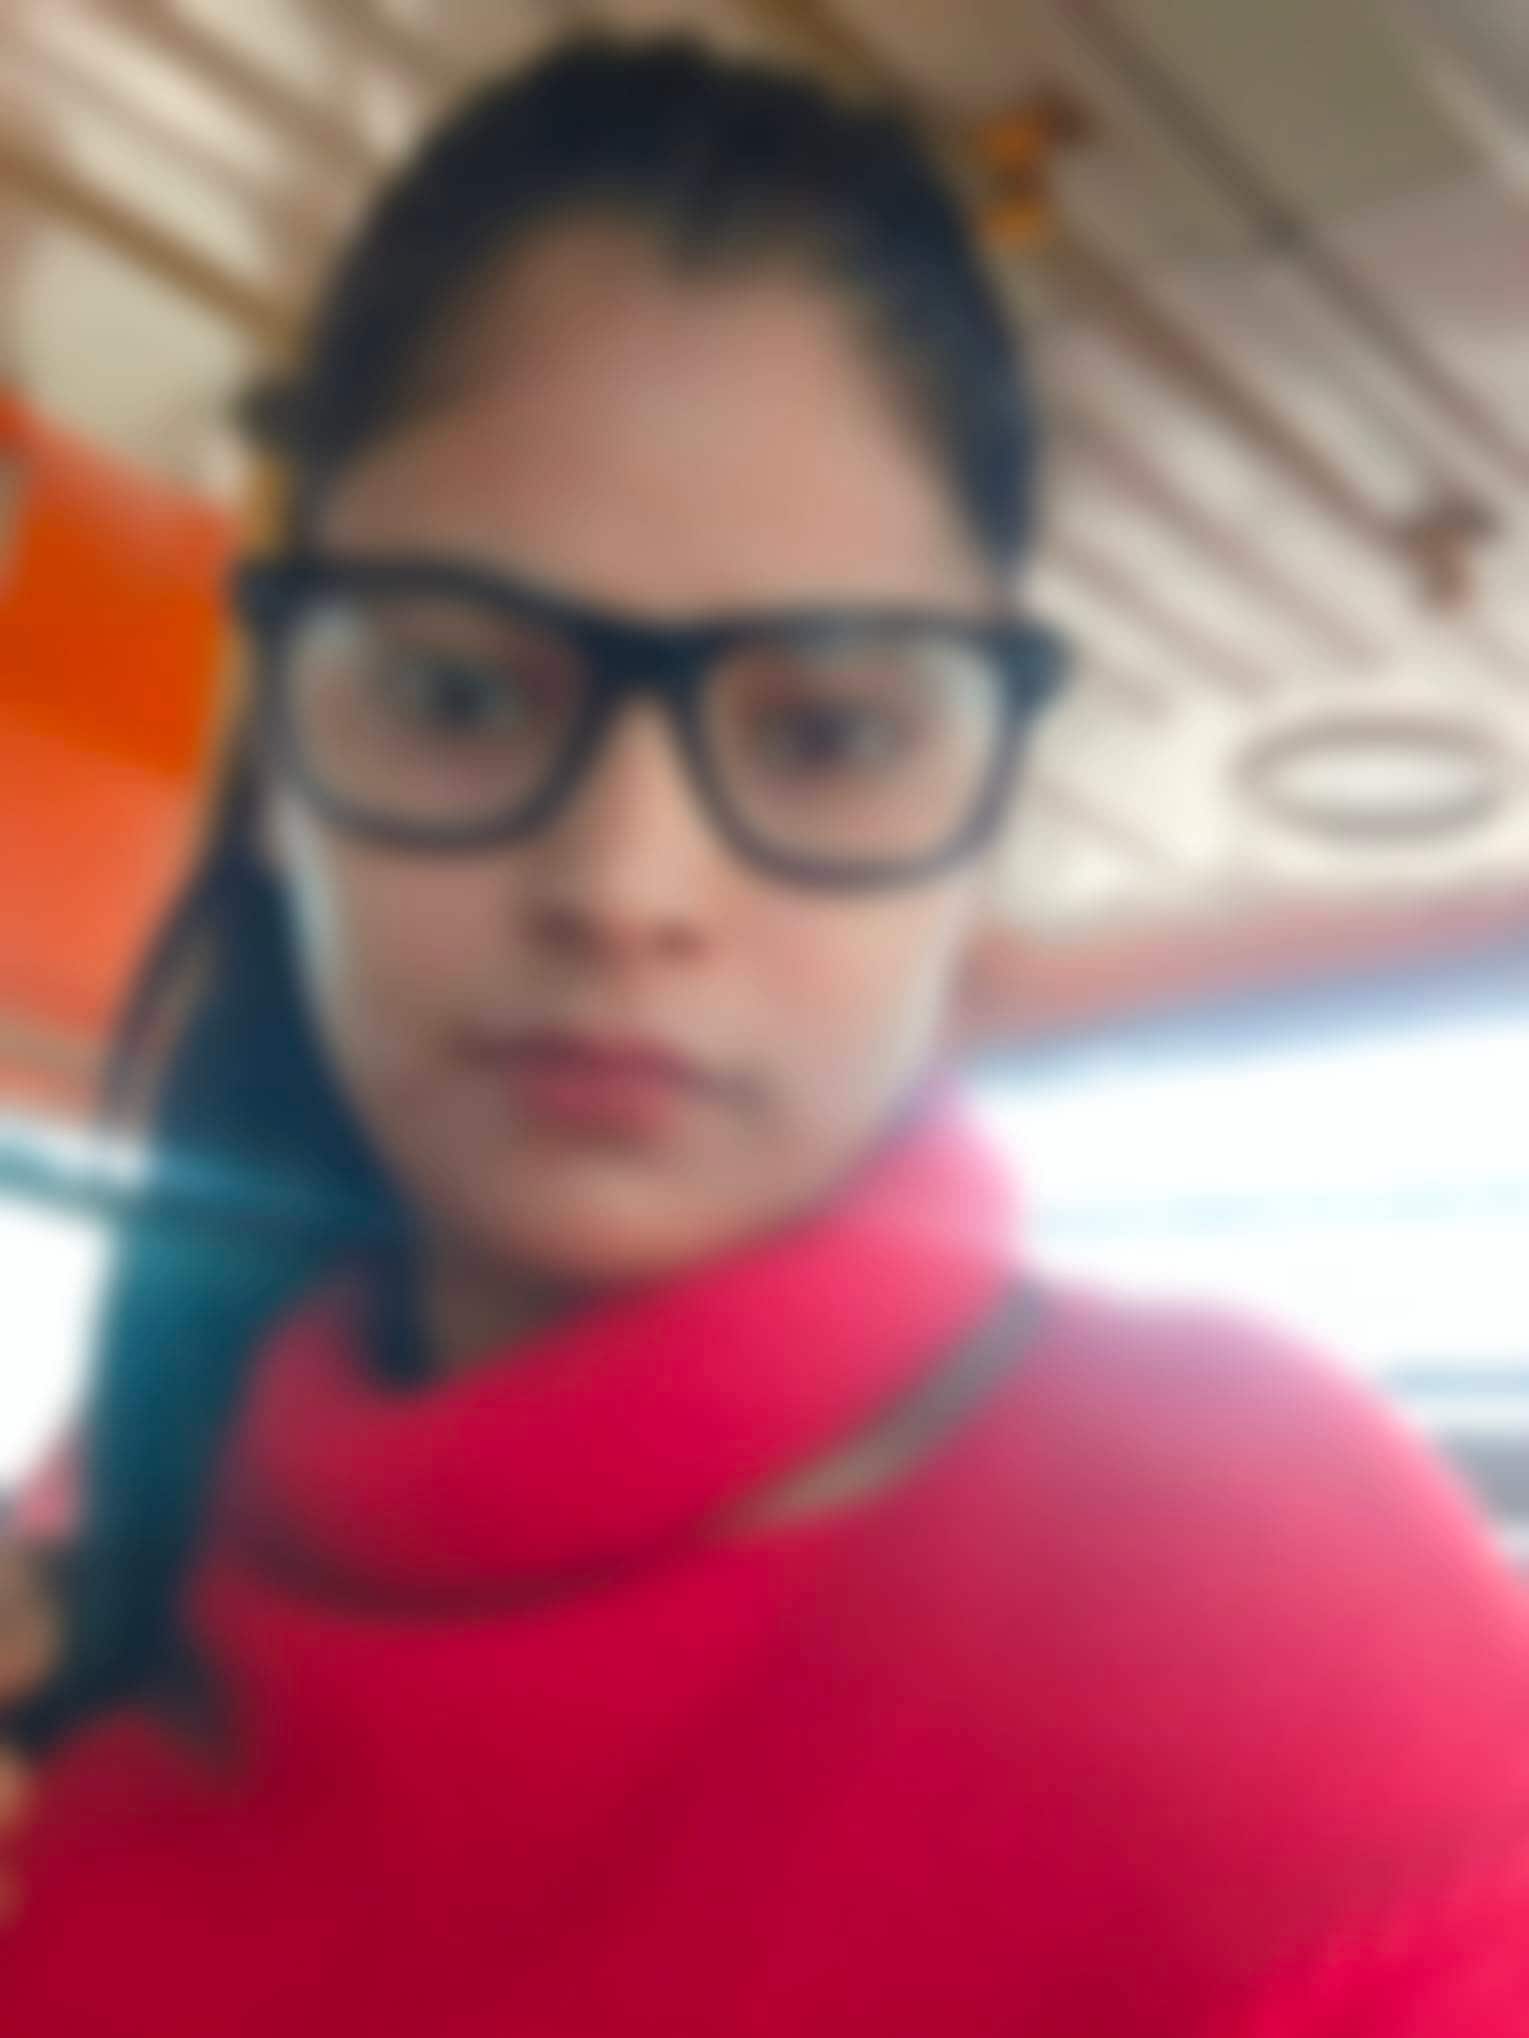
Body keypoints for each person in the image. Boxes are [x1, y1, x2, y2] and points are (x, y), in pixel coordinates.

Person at [2, 36, 1527, 2037]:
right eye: (460, 695)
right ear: (281, 753)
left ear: (981, 810)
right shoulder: (128, 1561)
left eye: (822, 729)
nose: (623, 884)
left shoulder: (1271, 1616)